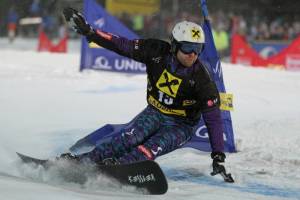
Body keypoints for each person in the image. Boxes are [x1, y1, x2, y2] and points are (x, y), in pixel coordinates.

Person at [61, 8, 227, 173]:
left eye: (197, 49)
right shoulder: (156, 50)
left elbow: (214, 119)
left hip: (181, 125)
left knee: (151, 148)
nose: (192, 54)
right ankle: (84, 162)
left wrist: (218, 155)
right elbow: (121, 44)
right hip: (154, 112)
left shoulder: (202, 79)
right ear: (175, 45)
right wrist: (91, 32)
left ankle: (119, 168)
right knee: (127, 139)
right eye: (187, 48)